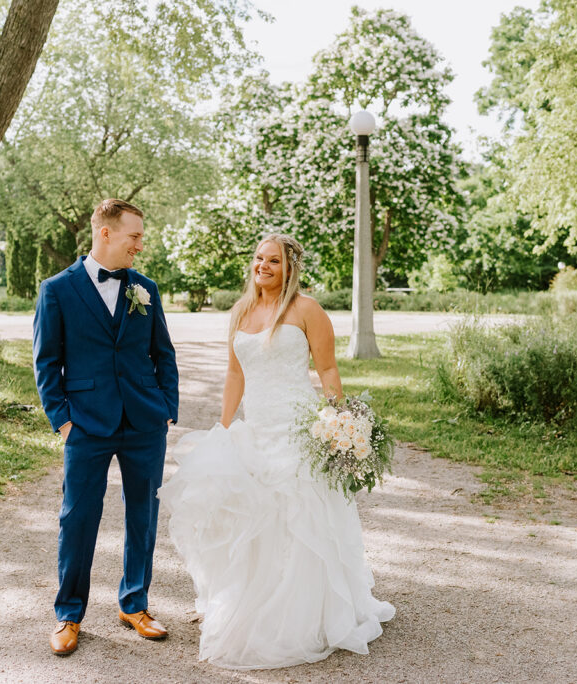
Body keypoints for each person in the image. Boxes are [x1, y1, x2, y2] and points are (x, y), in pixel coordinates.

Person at [159, 234, 394, 670]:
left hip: (299, 430)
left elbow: (327, 368)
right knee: (254, 516)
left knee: (301, 517)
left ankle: (308, 614)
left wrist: (339, 422)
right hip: (257, 429)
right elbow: (235, 374)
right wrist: (224, 428)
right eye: (258, 258)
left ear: (290, 269)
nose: (262, 266)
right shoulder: (241, 311)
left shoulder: (307, 310)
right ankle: (254, 604)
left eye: (273, 261)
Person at [32, 198, 179, 657]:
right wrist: (63, 422)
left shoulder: (146, 288)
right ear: (106, 233)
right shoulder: (57, 290)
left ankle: (135, 604)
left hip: (144, 422)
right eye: (135, 236)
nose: (140, 245)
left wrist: (166, 408)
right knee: (77, 518)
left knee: (143, 517)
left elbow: (163, 353)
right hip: (86, 425)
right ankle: (68, 614)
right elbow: (46, 362)